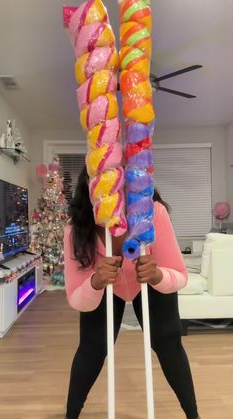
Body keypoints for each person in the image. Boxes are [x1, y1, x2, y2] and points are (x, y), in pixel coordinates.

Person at [64, 166, 200, 419]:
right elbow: (76, 299)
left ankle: (193, 414)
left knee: (167, 341)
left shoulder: (153, 213)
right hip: (104, 288)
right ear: (88, 184)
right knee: (93, 347)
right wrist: (96, 281)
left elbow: (179, 276)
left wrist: (158, 274)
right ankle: (70, 415)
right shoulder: (76, 228)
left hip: (150, 284)